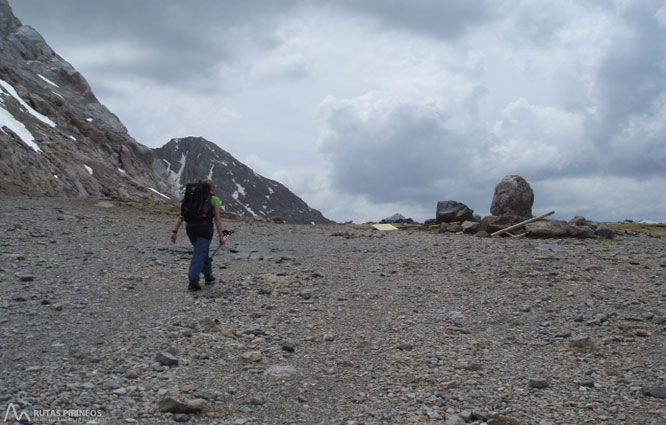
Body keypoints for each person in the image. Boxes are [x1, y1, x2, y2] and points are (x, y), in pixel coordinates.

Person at [170, 179, 225, 291]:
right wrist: (221, 236)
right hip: (205, 228)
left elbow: (181, 216)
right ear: (212, 188)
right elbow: (217, 219)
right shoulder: (214, 199)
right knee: (199, 252)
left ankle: (208, 275)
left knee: (201, 250)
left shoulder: (191, 198)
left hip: (190, 228)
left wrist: (175, 232)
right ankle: (193, 280)